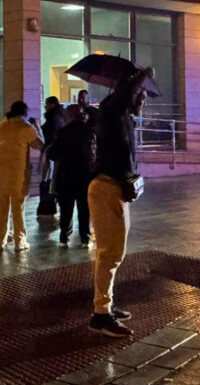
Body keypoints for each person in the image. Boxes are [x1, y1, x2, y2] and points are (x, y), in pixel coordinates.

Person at [87, 68, 151, 337]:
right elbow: (118, 100)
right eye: (140, 97)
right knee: (110, 254)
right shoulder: (111, 111)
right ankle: (101, 315)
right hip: (105, 189)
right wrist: (136, 79)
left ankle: (106, 306)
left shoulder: (124, 118)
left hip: (116, 189)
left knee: (112, 253)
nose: (142, 103)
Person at [0, 101, 44, 252]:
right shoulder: (26, 128)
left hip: (0, 173)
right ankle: (20, 241)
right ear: (24, 113)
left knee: (1, 208)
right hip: (18, 173)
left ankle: (0, 240)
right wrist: (37, 126)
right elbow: (40, 144)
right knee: (18, 208)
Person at [48, 104, 95, 248]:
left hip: (67, 176)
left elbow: (53, 154)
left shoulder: (63, 132)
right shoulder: (90, 131)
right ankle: (85, 238)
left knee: (66, 209)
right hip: (85, 176)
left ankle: (64, 238)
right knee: (84, 208)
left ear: (70, 116)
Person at [37, 96, 65, 218]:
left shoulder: (54, 118)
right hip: (53, 152)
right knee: (50, 179)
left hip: (51, 152)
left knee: (48, 178)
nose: (45, 107)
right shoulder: (58, 117)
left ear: (52, 105)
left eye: (47, 104)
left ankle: (47, 205)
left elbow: (49, 134)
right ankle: (49, 204)